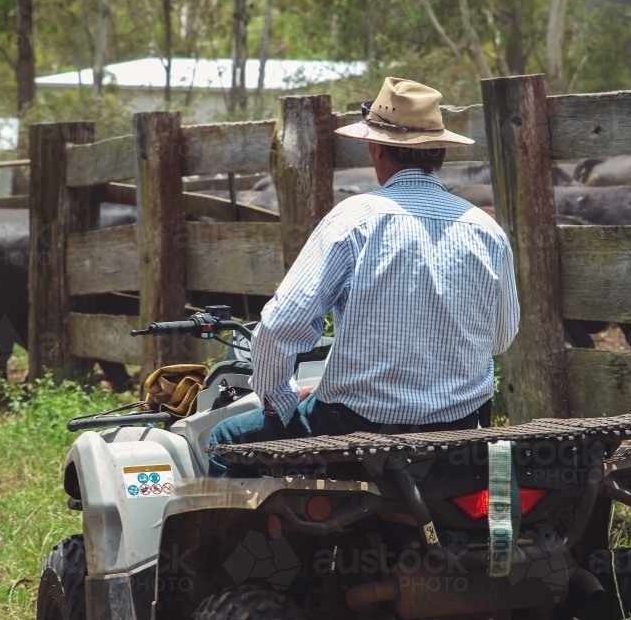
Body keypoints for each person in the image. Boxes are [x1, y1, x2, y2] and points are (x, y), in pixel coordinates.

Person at [208, 77, 520, 477]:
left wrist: (279, 398)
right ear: (439, 153)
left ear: (376, 149)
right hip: (456, 428)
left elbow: (282, 323)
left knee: (226, 440)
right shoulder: (486, 228)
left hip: (354, 425)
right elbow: (501, 336)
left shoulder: (354, 219)